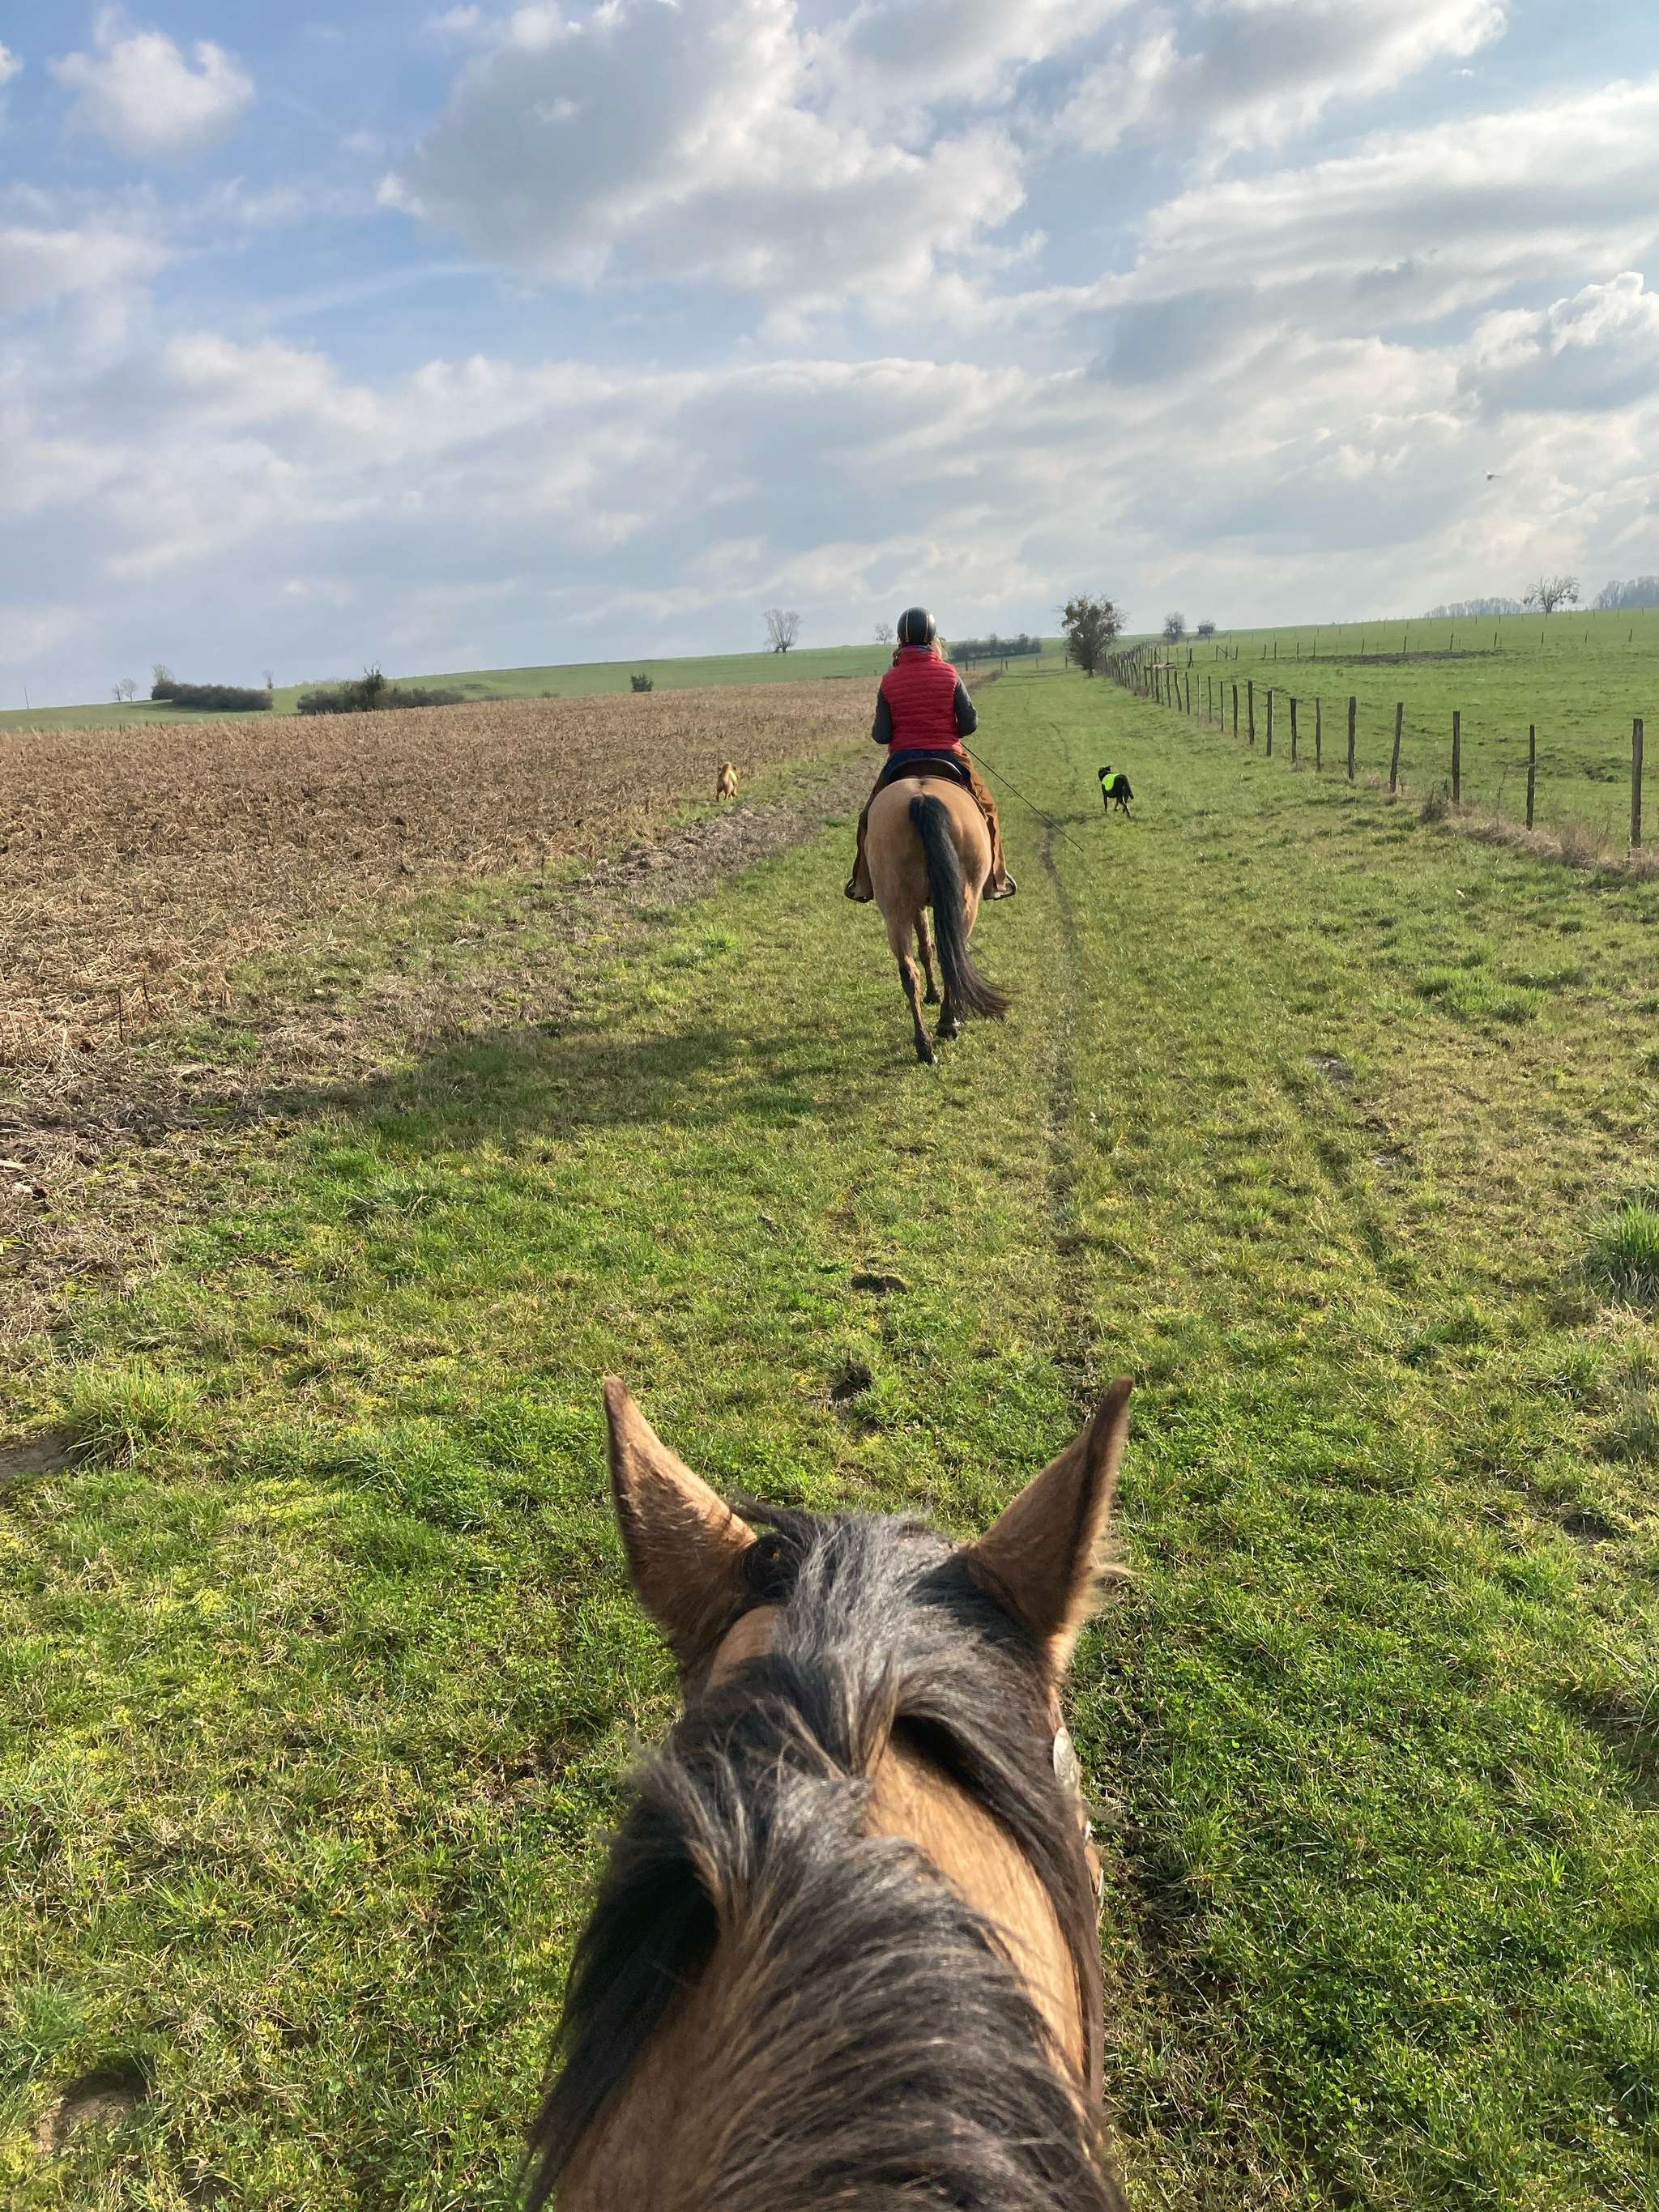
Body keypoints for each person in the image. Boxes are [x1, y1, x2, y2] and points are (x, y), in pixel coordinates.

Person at [845, 607, 1016, 902]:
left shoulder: (889, 680)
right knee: (988, 810)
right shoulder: (949, 673)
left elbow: (881, 735)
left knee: (868, 817)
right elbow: (970, 724)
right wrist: (946, 728)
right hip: (948, 756)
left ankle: (862, 883)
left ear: (900, 640)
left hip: (902, 760)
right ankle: (994, 881)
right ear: (932, 638)